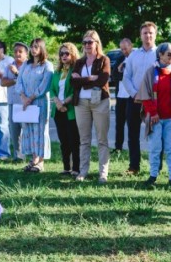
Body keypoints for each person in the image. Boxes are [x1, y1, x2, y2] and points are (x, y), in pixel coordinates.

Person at [137, 43, 171, 186]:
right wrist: (153, 113)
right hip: (155, 117)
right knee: (155, 148)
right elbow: (145, 95)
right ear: (160, 55)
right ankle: (153, 175)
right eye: (169, 54)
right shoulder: (151, 71)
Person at [72, 30, 112, 183]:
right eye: (85, 42)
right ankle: (83, 171)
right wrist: (90, 78)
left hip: (99, 101)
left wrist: (82, 80)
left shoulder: (104, 60)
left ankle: (103, 173)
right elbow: (73, 82)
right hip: (81, 103)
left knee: (102, 139)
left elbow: (103, 79)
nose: (87, 45)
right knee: (84, 139)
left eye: (90, 42)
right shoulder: (79, 62)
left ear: (97, 43)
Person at [123, 22, 159, 175]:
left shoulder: (160, 53)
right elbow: (126, 76)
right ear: (140, 35)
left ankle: (156, 167)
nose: (148, 35)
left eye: (150, 32)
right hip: (135, 99)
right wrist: (134, 93)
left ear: (155, 34)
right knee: (133, 134)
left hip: (154, 101)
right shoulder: (133, 55)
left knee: (155, 135)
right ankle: (134, 166)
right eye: (145, 33)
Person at [16, 38, 54, 172]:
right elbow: (19, 81)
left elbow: (45, 85)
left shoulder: (47, 65)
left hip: (39, 102)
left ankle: (41, 162)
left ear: (42, 48)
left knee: (40, 131)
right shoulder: (26, 65)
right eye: (32, 47)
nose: (33, 49)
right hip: (26, 102)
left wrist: (31, 97)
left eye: (36, 47)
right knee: (29, 129)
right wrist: (23, 97)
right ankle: (33, 159)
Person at [51, 42, 81, 176]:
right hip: (58, 110)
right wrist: (57, 102)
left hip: (70, 110)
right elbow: (51, 89)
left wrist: (63, 103)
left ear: (73, 54)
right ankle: (66, 167)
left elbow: (76, 90)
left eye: (66, 53)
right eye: (61, 53)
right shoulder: (57, 72)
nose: (63, 56)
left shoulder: (76, 71)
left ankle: (76, 168)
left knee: (73, 140)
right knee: (63, 141)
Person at [2, 42, 30, 162]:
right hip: (12, 101)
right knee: (14, 131)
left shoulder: (29, 66)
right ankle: (17, 155)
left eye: (20, 51)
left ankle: (28, 154)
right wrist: (15, 79)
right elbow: (3, 82)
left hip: (25, 103)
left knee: (26, 130)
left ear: (26, 54)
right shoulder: (10, 65)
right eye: (15, 51)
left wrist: (15, 74)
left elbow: (28, 82)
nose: (17, 54)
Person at [112, 38, 133, 153]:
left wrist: (125, 75)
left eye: (125, 48)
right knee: (119, 123)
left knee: (131, 124)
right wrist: (120, 71)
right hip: (120, 96)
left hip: (132, 97)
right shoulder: (120, 59)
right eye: (122, 49)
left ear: (131, 46)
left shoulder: (135, 58)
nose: (124, 51)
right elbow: (114, 75)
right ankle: (118, 147)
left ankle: (132, 147)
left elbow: (136, 77)